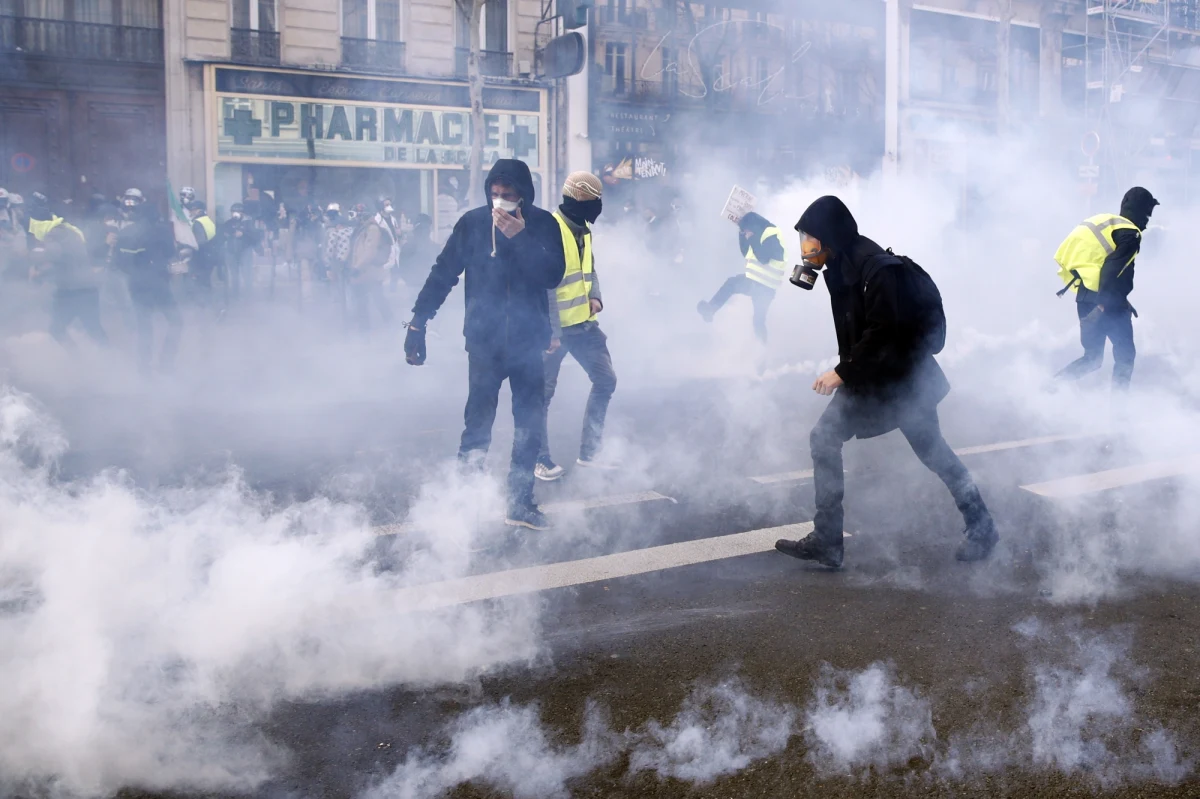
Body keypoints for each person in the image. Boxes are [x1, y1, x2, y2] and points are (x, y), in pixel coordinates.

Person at [774, 195, 998, 568]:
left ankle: (982, 526)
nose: (806, 247)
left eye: (810, 239)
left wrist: (842, 372)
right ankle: (828, 541)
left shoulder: (876, 269)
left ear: (829, 235)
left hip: (903, 381)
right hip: (877, 377)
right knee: (836, 440)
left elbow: (884, 332)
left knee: (929, 453)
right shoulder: (841, 263)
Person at [405, 159, 567, 530]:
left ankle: (520, 503)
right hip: (484, 345)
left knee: (528, 428)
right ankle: (466, 509)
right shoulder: (472, 223)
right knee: (476, 429)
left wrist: (521, 238)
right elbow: (443, 272)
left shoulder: (544, 224)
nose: (500, 201)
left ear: (523, 195)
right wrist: (418, 322)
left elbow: (553, 275)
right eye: (494, 194)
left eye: (508, 194)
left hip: (528, 345)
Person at [535, 172, 618, 481]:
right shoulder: (550, 230)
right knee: (541, 396)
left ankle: (590, 453)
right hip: (556, 332)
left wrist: (595, 296)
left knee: (606, 380)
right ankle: (538, 459)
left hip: (583, 326)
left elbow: (589, 269)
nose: (598, 206)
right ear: (580, 200)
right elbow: (545, 286)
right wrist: (551, 333)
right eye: (595, 200)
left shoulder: (583, 229)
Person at [1054, 187, 1159, 390]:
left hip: (1085, 296)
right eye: (1147, 214)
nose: (1147, 221)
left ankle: (1048, 388)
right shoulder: (1131, 234)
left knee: (1092, 358)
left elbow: (1101, 266)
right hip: (1106, 302)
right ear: (1141, 211)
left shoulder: (1107, 223)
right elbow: (1112, 269)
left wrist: (1122, 299)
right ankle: (1119, 407)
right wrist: (1103, 305)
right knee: (1125, 356)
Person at [22, 192, 108, 348]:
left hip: (74, 291)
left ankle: (85, 358)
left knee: (59, 330)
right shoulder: (64, 229)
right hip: (83, 289)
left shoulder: (55, 234)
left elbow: (53, 255)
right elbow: (65, 261)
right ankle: (107, 356)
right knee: (92, 329)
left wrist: (33, 260)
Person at [115, 189, 182, 374]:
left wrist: (134, 274)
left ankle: (143, 367)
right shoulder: (161, 230)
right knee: (176, 322)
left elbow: (118, 262)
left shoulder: (126, 232)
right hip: (159, 283)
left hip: (136, 284)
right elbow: (170, 254)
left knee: (144, 326)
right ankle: (166, 363)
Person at [696, 211, 787, 342]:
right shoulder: (758, 234)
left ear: (753, 226)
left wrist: (751, 238)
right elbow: (746, 252)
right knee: (758, 320)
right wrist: (742, 235)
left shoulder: (770, 233)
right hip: (758, 282)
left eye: (746, 229)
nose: (746, 232)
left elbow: (764, 258)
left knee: (733, 286)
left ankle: (711, 309)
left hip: (764, 284)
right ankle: (762, 348)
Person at [345, 196, 397, 332]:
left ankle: (386, 328)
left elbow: (370, 251)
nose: (354, 218)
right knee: (369, 301)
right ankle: (372, 331)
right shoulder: (362, 229)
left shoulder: (372, 229)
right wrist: (346, 263)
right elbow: (354, 248)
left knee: (372, 301)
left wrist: (357, 267)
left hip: (369, 272)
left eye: (355, 214)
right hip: (364, 272)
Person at [184, 199, 221, 308]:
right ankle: (210, 304)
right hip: (211, 254)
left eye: (192, 210)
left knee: (200, 281)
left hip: (202, 256)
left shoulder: (197, 223)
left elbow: (200, 242)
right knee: (205, 280)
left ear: (198, 210)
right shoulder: (207, 220)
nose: (191, 212)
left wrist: (189, 246)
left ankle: (206, 306)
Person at [221, 202, 260, 302]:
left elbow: (255, 237)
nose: (235, 214)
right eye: (233, 211)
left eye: (238, 211)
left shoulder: (249, 223)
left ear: (242, 213)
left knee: (247, 274)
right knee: (234, 275)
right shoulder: (228, 223)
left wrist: (243, 234)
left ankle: (248, 295)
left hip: (245, 251)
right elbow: (223, 234)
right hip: (231, 252)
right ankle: (235, 295)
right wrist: (228, 235)